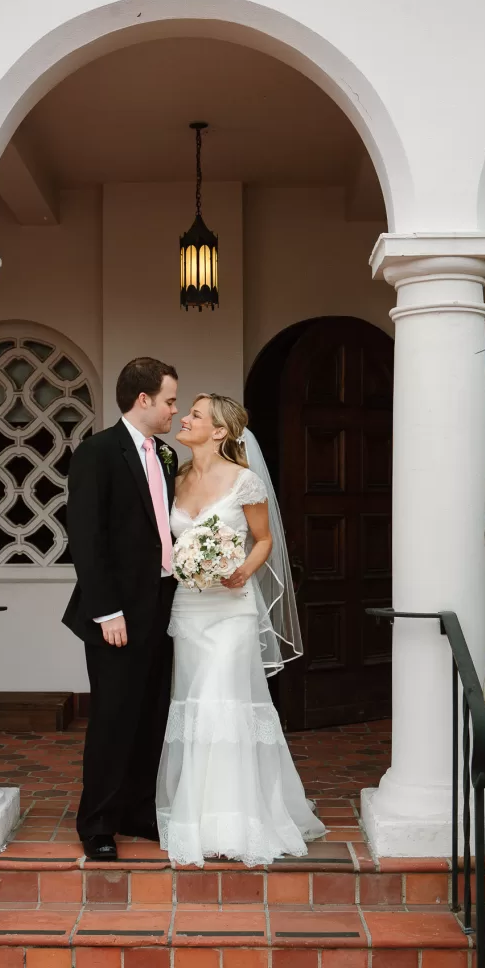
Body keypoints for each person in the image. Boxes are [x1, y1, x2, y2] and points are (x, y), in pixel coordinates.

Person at [157, 393, 326, 867]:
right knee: (194, 706)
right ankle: (197, 817)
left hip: (232, 608)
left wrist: (242, 571)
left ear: (219, 432)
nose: (184, 419)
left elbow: (264, 539)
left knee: (221, 702)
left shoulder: (245, 481)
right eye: (185, 411)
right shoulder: (176, 478)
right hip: (190, 607)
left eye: (194, 414)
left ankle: (236, 821)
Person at [63, 357, 179, 861]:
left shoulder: (167, 455)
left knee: (150, 713)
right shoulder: (98, 452)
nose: (175, 409)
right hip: (117, 613)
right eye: (171, 400)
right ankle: (98, 822)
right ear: (144, 399)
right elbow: (86, 539)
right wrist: (107, 611)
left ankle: (136, 809)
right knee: (112, 716)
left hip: (163, 605)